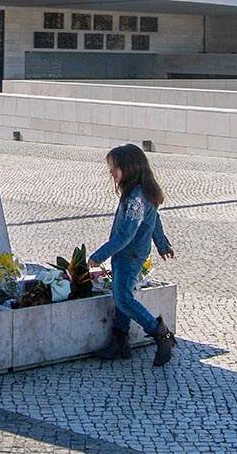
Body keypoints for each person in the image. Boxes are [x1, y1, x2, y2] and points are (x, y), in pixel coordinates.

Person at [87, 143, 176, 366]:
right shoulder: (140, 192)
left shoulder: (136, 197)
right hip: (126, 253)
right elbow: (155, 219)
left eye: (114, 167)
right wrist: (162, 245)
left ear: (129, 167)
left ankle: (160, 332)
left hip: (130, 254)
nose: (110, 172)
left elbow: (126, 234)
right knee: (121, 296)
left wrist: (98, 256)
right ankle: (120, 341)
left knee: (124, 299)